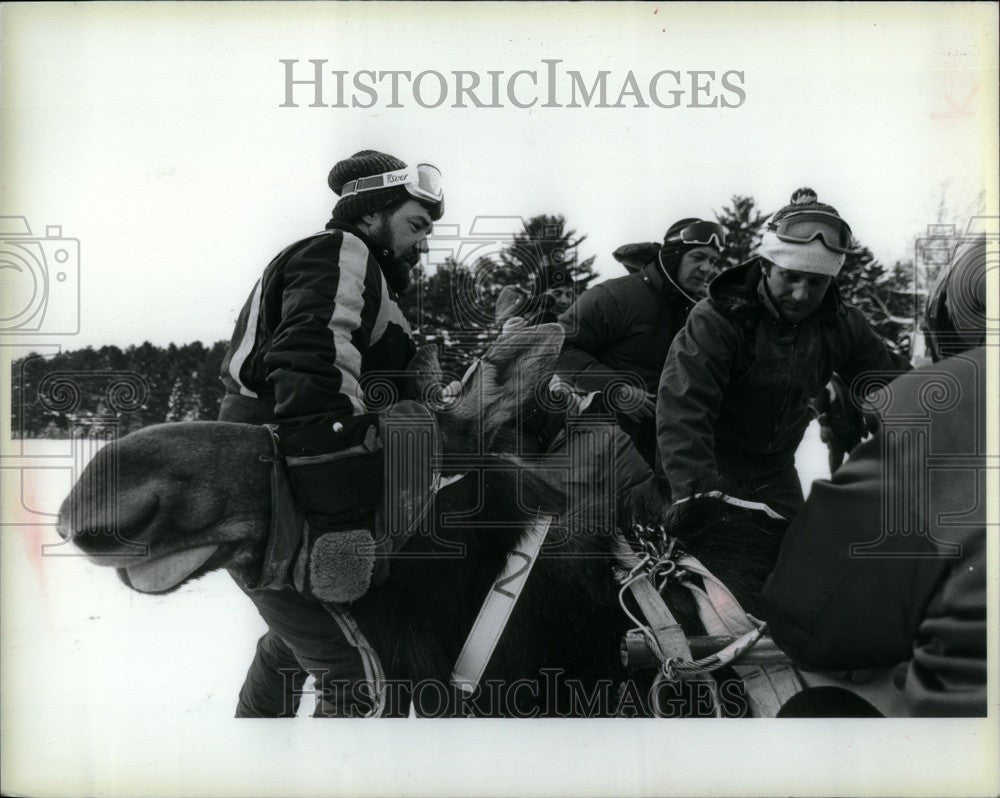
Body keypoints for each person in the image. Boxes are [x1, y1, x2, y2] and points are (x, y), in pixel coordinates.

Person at [218, 149, 444, 717]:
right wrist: (341, 510)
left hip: (278, 465)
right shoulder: (343, 250)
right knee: (358, 673)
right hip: (282, 471)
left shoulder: (369, 275)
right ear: (371, 213)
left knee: (301, 637)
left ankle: (252, 750)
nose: (425, 242)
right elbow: (313, 362)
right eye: (417, 224)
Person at [762, 234, 988, 716]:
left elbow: (809, 620)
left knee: (816, 710)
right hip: (840, 442)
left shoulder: (949, 398)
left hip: (972, 738)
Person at [656, 188, 910, 520]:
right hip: (713, 466)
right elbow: (683, 410)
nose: (802, 294)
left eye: (817, 282)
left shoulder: (842, 326)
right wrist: (699, 499)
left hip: (776, 473)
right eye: (790, 277)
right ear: (765, 265)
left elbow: (890, 384)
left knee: (794, 562)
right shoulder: (718, 319)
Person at [556, 218, 728, 468]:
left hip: (674, 452)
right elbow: (559, 346)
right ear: (673, 257)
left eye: (713, 261)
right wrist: (616, 388)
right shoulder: (614, 296)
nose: (707, 268)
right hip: (609, 451)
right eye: (698, 257)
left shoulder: (704, 312)